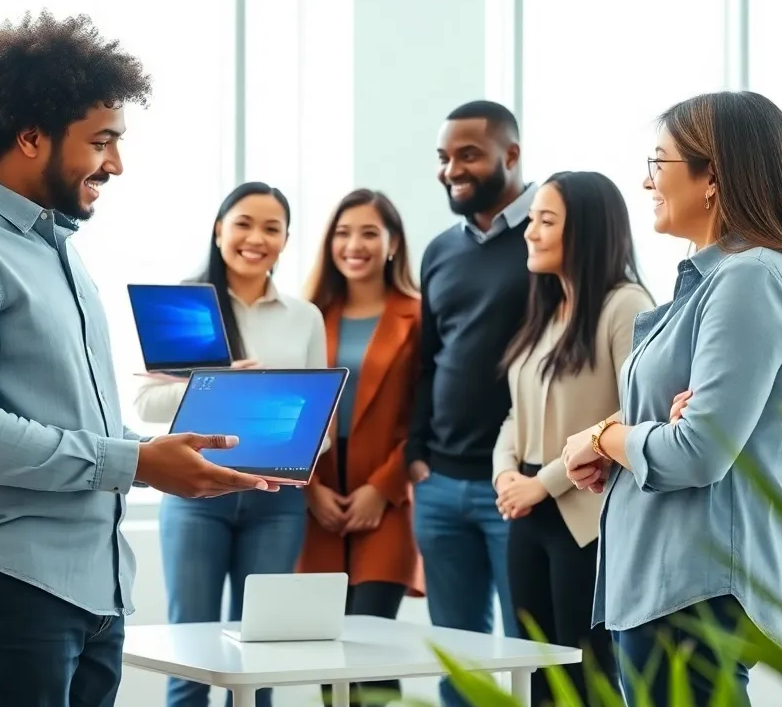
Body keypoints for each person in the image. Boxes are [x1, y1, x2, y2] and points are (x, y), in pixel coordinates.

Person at [0, 11, 274, 707]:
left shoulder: (56, 249)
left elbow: (65, 416)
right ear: (31, 136)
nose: (115, 164)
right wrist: (136, 462)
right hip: (4, 585)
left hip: (91, 586)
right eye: (102, 141)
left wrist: (159, 456)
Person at [562, 91, 782, 706]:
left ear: (711, 175)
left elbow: (697, 452)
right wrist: (634, 431)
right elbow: (676, 431)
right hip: (667, 583)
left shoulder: (750, 279)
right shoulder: (718, 279)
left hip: (690, 587)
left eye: (658, 163)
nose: (645, 180)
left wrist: (607, 438)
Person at [134, 182, 326, 707]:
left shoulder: (303, 315)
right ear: (219, 230)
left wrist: (307, 437)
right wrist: (214, 382)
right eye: (243, 223)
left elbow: (321, 421)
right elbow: (143, 405)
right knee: (190, 653)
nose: (255, 237)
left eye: (272, 228)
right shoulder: (183, 307)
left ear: (286, 240)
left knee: (261, 658)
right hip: (196, 492)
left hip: (275, 499)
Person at [493, 171, 653, 704]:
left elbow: (633, 409)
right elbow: (515, 414)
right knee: (533, 677)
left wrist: (544, 482)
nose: (529, 232)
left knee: (585, 680)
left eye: (546, 220)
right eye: (532, 219)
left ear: (585, 228)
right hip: (528, 514)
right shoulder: (548, 309)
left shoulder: (625, 305)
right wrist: (507, 475)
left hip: (586, 514)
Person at [406, 100, 534, 707]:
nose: (451, 169)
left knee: (533, 657)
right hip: (440, 485)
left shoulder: (548, 238)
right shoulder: (440, 251)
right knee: (458, 665)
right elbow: (427, 359)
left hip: (517, 486)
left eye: (467, 155)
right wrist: (415, 451)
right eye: (443, 157)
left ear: (511, 155)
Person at [298, 188, 424, 707]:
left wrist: (384, 488)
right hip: (317, 493)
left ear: (393, 243)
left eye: (370, 232)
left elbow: (427, 415)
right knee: (327, 659)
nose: (355, 245)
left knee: (372, 655)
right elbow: (290, 411)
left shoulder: (419, 316)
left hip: (387, 497)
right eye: (344, 233)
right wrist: (311, 491)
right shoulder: (306, 314)